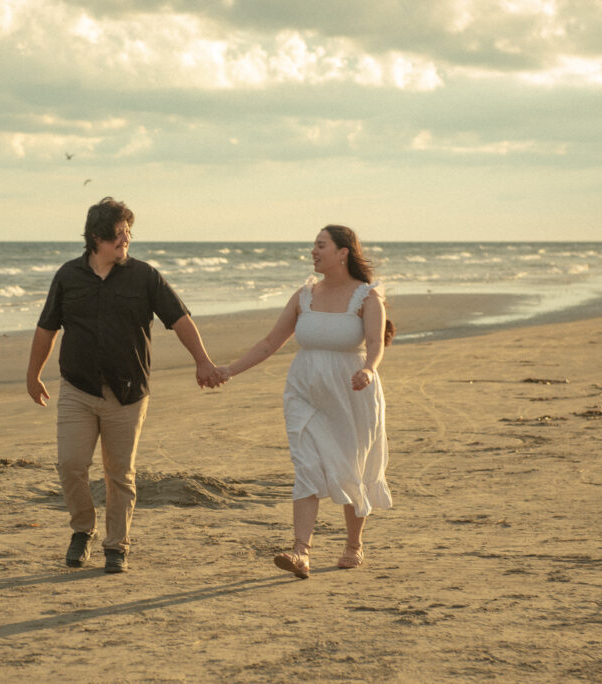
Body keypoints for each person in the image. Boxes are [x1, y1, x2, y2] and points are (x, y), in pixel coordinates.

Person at [27, 197, 225, 573]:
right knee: (71, 465)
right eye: (118, 234)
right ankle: (83, 529)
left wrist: (203, 361)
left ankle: (116, 546)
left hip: (128, 393)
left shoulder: (144, 276)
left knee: (120, 475)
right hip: (78, 390)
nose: (126, 240)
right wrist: (32, 373)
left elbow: (179, 318)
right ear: (97, 238)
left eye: (128, 233)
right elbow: (47, 327)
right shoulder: (68, 277)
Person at [218, 225, 395, 579]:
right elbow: (270, 343)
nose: (313, 251)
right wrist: (229, 371)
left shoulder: (367, 296)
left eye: (321, 245)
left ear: (343, 252)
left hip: (352, 393)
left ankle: (353, 545)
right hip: (305, 393)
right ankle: (301, 552)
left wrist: (369, 370)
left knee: (352, 465)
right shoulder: (304, 295)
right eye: (314, 246)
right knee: (306, 465)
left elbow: (375, 343)